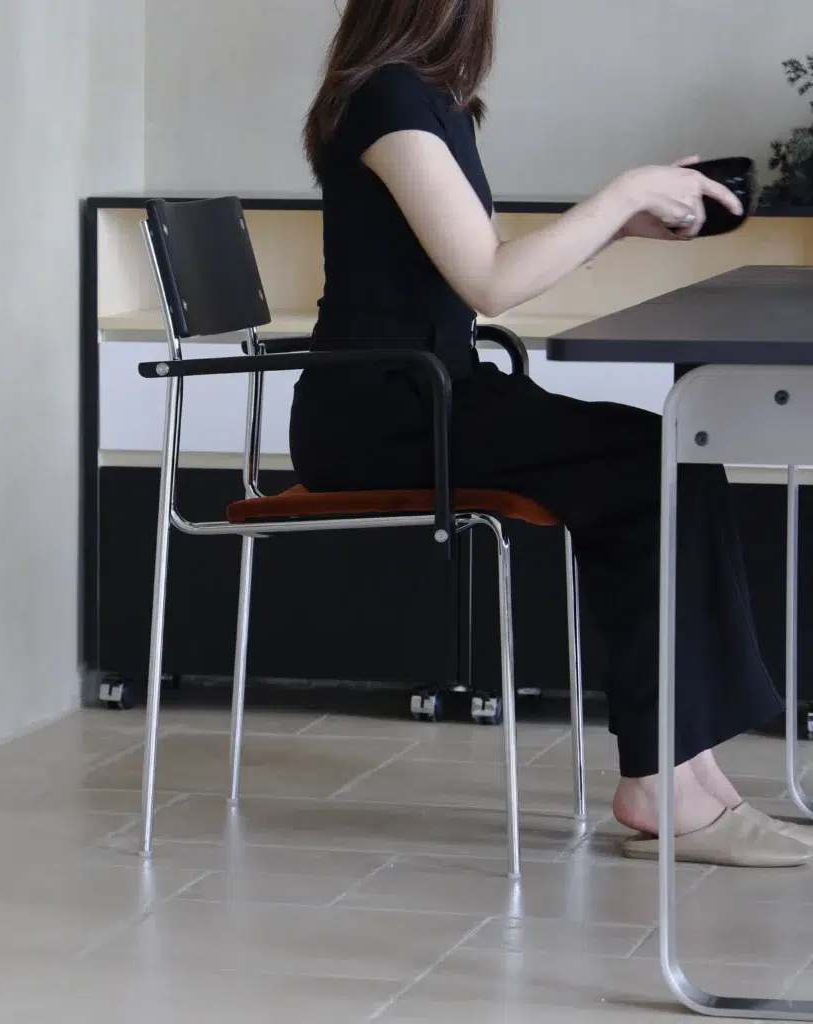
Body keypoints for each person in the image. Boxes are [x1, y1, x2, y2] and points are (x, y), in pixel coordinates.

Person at [290, 0, 811, 866]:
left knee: (669, 461)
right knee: (656, 463)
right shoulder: (384, 99)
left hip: (436, 390)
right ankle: (665, 785)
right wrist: (625, 191)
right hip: (383, 411)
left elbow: (475, 266)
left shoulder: (429, 102)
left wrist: (625, 222)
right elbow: (492, 283)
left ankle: (686, 773)